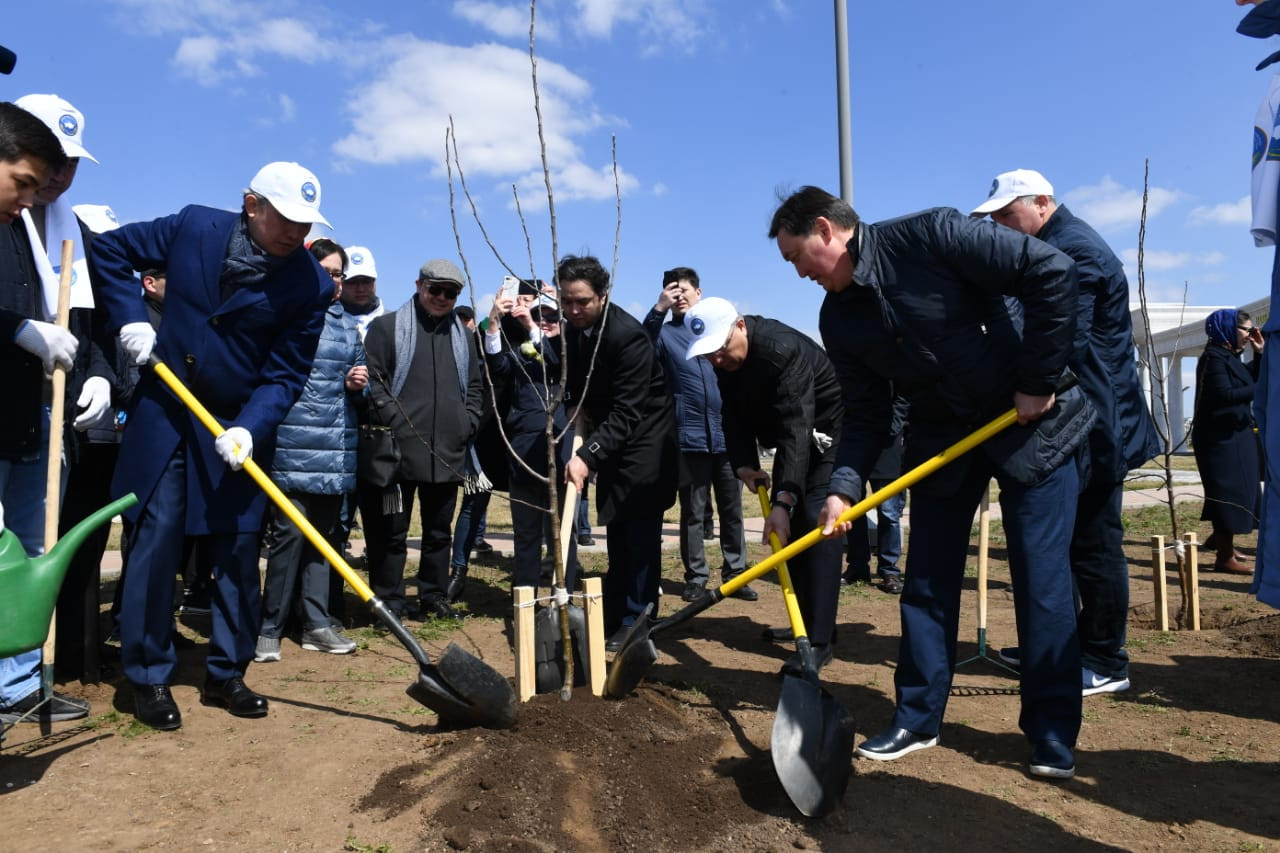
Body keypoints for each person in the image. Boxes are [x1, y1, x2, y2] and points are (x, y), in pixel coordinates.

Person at [769, 185, 1095, 780]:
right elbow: (865, 415)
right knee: (925, 581)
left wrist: (1040, 375)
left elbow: (1051, 270)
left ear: (824, 230)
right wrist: (843, 486)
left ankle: (1051, 733)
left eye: (796, 258)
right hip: (944, 437)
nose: (799, 274)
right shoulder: (837, 316)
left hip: (1031, 421)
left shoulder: (931, 235)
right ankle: (917, 717)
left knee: (1041, 581)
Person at [90, 161, 334, 731]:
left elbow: (286, 372)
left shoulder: (310, 284)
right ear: (253, 205)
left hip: (234, 426)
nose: (296, 235)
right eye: (285, 220)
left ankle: (227, 672)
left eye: (305, 224)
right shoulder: (194, 226)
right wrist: (131, 319)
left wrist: (252, 425)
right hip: (168, 413)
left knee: (236, 552)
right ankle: (147, 675)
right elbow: (109, 250)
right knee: (156, 542)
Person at [972, 169, 1162, 696]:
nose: (1005, 227)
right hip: (1085, 417)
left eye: (1010, 215)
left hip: (1100, 423)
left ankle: (1105, 659)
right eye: (998, 219)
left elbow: (1060, 341)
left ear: (1043, 202)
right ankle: (1064, 647)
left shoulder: (1074, 251)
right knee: (1075, 541)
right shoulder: (1051, 245)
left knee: (1096, 543)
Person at [685, 297, 845, 674]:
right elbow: (733, 413)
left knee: (813, 520)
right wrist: (744, 464)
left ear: (740, 326)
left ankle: (819, 642)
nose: (717, 361)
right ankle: (804, 624)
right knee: (793, 532)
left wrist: (783, 499)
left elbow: (797, 427)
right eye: (709, 355)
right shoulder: (726, 359)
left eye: (721, 350)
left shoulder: (780, 350)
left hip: (829, 433)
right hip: (794, 437)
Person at [0, 100, 90, 724]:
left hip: (29, 417)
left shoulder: (23, 226)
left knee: (31, 557)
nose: (33, 196)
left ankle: (18, 687)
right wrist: (14, 330)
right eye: (23, 182)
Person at [560, 254, 678, 650]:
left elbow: (628, 411)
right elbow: (579, 376)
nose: (574, 310)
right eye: (568, 302)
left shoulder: (628, 336)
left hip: (646, 443)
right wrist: (576, 401)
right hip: (613, 439)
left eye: (583, 302)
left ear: (603, 297)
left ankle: (638, 621)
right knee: (617, 530)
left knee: (640, 535)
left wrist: (586, 455)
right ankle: (614, 612)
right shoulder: (574, 329)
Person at [255, 239, 365, 662]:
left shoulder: (346, 325)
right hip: (294, 447)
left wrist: (360, 382)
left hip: (335, 449)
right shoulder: (284, 313)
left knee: (324, 542)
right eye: (327, 272)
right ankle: (270, 627)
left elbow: (361, 383)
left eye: (339, 274)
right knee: (288, 540)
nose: (334, 281)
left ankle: (317, 624)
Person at [363, 259, 482, 621]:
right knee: (392, 532)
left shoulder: (464, 337)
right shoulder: (387, 329)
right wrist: (396, 421)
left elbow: (474, 387)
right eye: (436, 290)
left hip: (447, 452)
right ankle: (389, 601)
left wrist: (468, 423)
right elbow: (375, 383)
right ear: (419, 285)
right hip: (397, 454)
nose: (442, 298)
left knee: (438, 532)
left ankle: (433, 597)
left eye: (451, 293)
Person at [643, 267, 752, 603]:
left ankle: (736, 573)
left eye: (684, 290)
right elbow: (643, 352)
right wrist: (658, 311)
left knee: (732, 510)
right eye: (671, 292)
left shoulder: (719, 326)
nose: (679, 297)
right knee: (693, 511)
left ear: (699, 293)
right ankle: (696, 576)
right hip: (688, 437)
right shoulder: (666, 334)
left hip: (726, 434)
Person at [486, 291, 580, 591]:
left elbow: (555, 359)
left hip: (564, 457)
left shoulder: (570, 353)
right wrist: (493, 323)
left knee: (565, 532)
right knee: (526, 533)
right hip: (524, 455)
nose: (546, 322)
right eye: (540, 316)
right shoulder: (520, 352)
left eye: (553, 317)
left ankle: (562, 594)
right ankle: (525, 597)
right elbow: (495, 366)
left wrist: (532, 327)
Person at [1192, 308, 1263, 574]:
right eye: (1246, 330)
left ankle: (1221, 539)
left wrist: (1259, 353)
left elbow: (1248, 378)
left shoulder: (1228, 357)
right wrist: (1261, 388)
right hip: (1219, 439)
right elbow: (1225, 394)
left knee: (1241, 490)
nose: (1250, 335)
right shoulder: (1214, 359)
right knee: (1227, 493)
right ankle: (1223, 556)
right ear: (1228, 329)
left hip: (1235, 434)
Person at [842, 394, 907, 595]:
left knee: (889, 512)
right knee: (852, 510)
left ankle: (889, 570)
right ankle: (858, 566)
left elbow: (903, 397)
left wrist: (892, 426)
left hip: (886, 446)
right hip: (853, 444)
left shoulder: (892, 364)